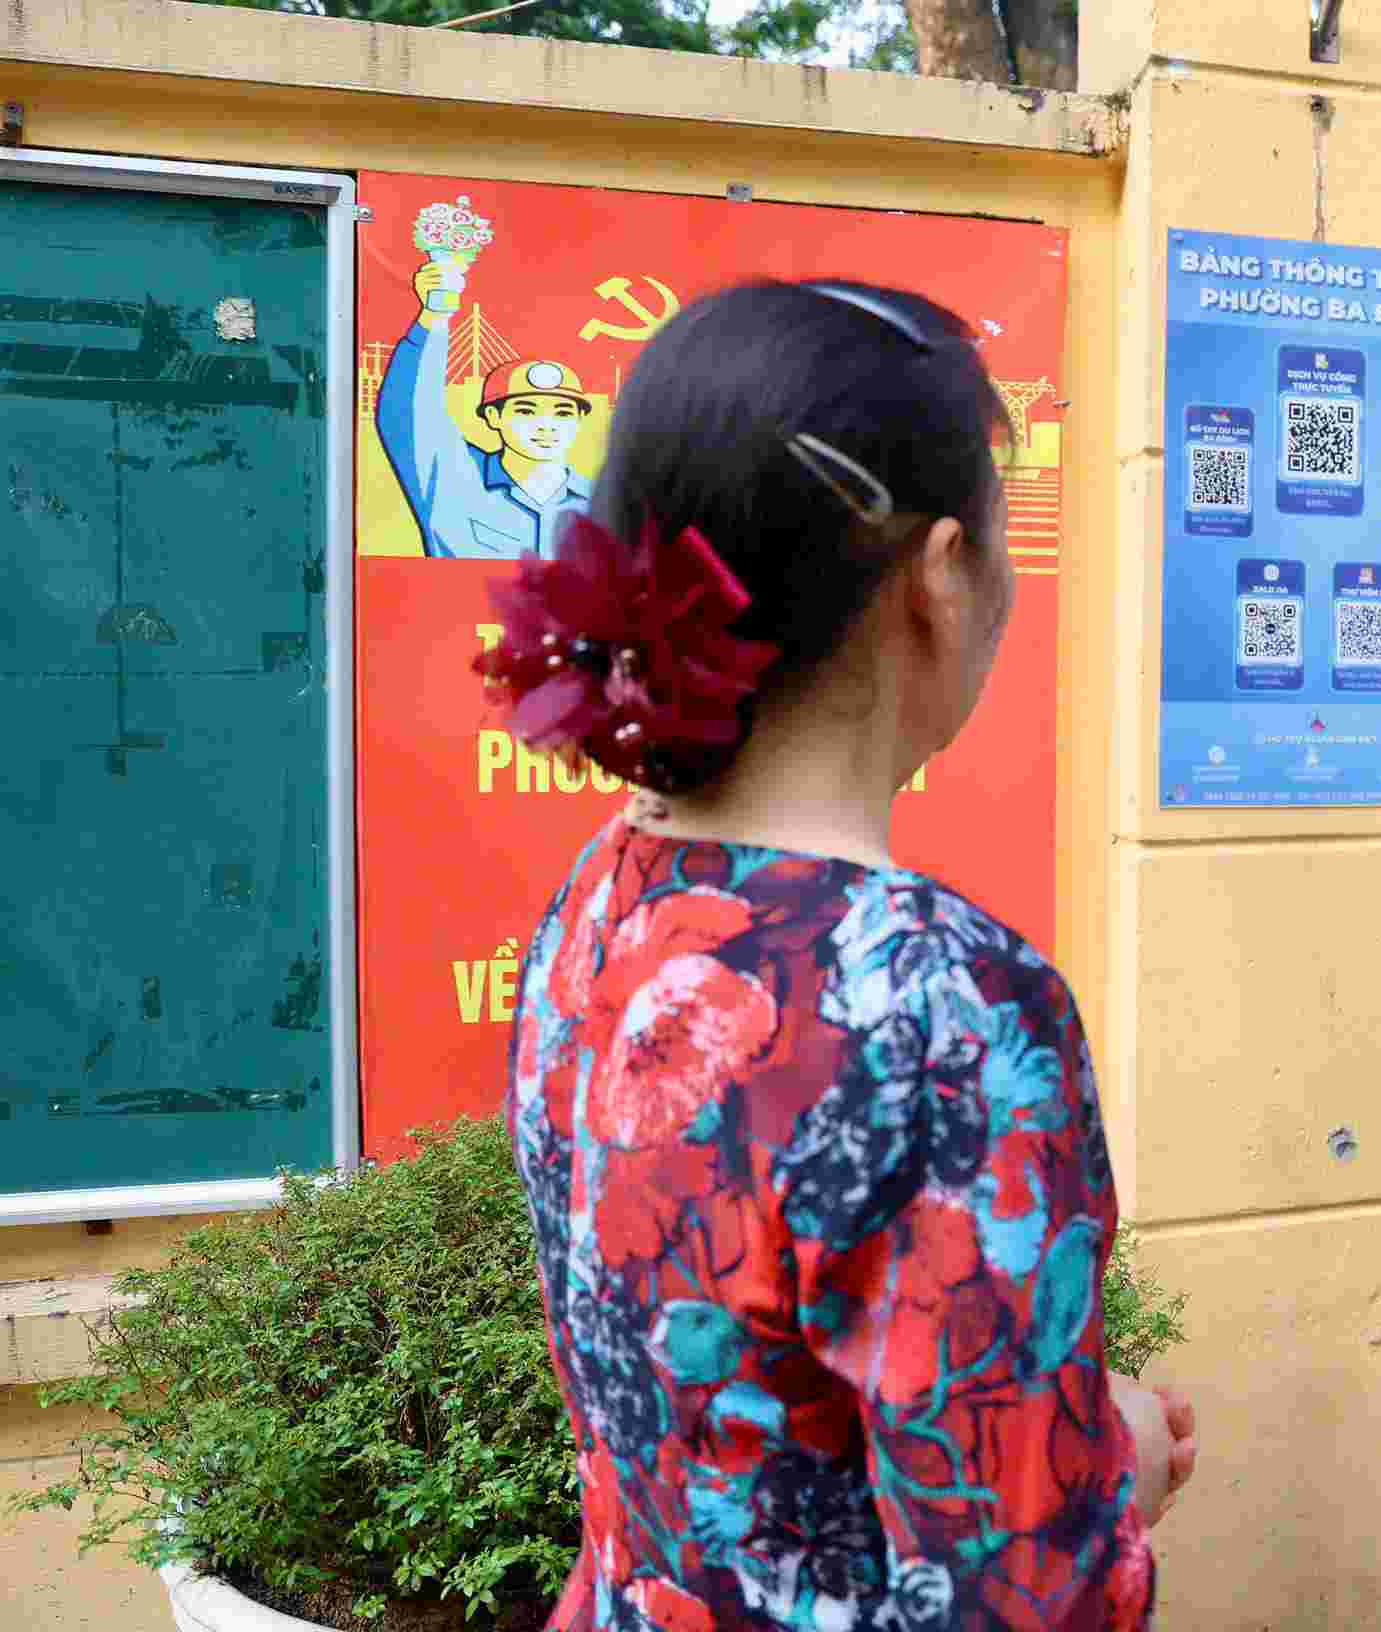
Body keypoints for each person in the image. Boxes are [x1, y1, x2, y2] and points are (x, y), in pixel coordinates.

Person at [477, 279, 1194, 1631]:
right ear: (937, 575)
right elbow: (1021, 1589)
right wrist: (1119, 1463)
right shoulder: (937, 998)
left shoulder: (606, 893)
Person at [378, 254, 594, 560]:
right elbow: (409, 412)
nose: (546, 425)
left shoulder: (606, 502)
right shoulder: (453, 478)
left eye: (563, 413)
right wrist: (434, 315)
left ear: (580, 421)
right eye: (526, 411)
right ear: (493, 416)